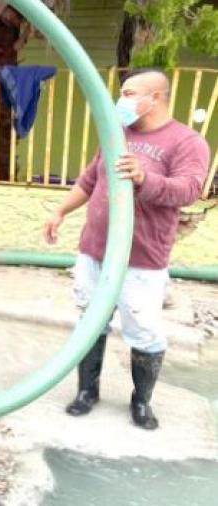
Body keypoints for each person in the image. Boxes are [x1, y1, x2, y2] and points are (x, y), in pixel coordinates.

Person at [43, 69, 210, 430]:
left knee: (144, 330)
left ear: (156, 98)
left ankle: (141, 401)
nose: (122, 100)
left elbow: (189, 189)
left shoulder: (187, 142)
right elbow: (91, 180)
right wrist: (60, 210)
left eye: (130, 93)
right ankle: (88, 392)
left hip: (142, 259)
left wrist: (144, 179)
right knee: (90, 321)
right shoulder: (117, 133)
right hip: (94, 251)